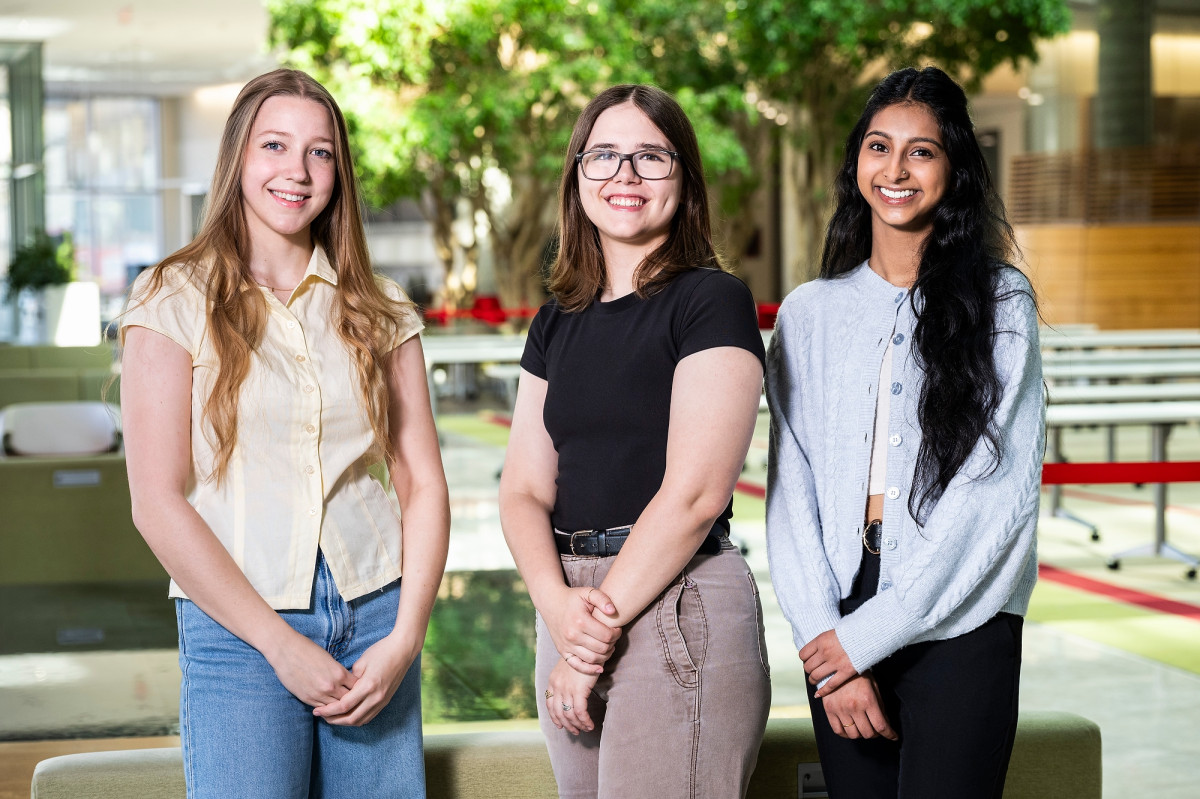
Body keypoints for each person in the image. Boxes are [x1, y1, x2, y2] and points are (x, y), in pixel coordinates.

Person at [120, 68, 449, 798]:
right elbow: (157, 500)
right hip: (239, 625)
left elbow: (421, 481)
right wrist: (279, 643)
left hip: (376, 613)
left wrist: (406, 638)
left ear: (340, 170)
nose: (297, 171)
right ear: (238, 157)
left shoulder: (381, 306)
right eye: (275, 145)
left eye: (320, 151)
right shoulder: (170, 298)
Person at [765, 65, 1045, 798]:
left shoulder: (1002, 303)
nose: (895, 169)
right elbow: (789, 498)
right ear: (856, 160)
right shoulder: (808, 313)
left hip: (963, 621)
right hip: (839, 615)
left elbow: (993, 496)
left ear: (953, 168)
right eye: (878, 147)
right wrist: (827, 641)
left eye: (921, 151)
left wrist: (862, 640)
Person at [498, 84, 771, 798]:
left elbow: (695, 494)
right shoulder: (557, 318)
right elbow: (524, 487)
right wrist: (559, 608)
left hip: (675, 599)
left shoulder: (712, 301)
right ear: (577, 174)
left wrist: (588, 638)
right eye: (606, 156)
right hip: (569, 600)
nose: (625, 175)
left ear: (683, 180)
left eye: (651, 157)